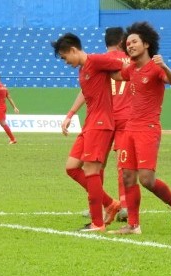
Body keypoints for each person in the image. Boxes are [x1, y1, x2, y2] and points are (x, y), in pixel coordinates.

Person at [108, 22, 171, 235]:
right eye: (127, 43)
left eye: (134, 41)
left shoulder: (155, 68)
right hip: (130, 129)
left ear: (146, 44)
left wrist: (164, 66)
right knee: (127, 176)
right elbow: (116, 75)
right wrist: (96, 65)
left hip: (148, 128)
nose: (130, 46)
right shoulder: (131, 69)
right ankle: (133, 225)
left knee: (146, 179)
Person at [51, 32, 125, 232]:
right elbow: (86, 92)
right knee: (72, 167)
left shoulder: (96, 60)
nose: (65, 62)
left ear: (73, 50)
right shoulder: (83, 70)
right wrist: (70, 114)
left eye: (65, 57)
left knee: (91, 171)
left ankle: (97, 223)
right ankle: (110, 203)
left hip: (101, 122)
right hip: (90, 123)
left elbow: (123, 64)